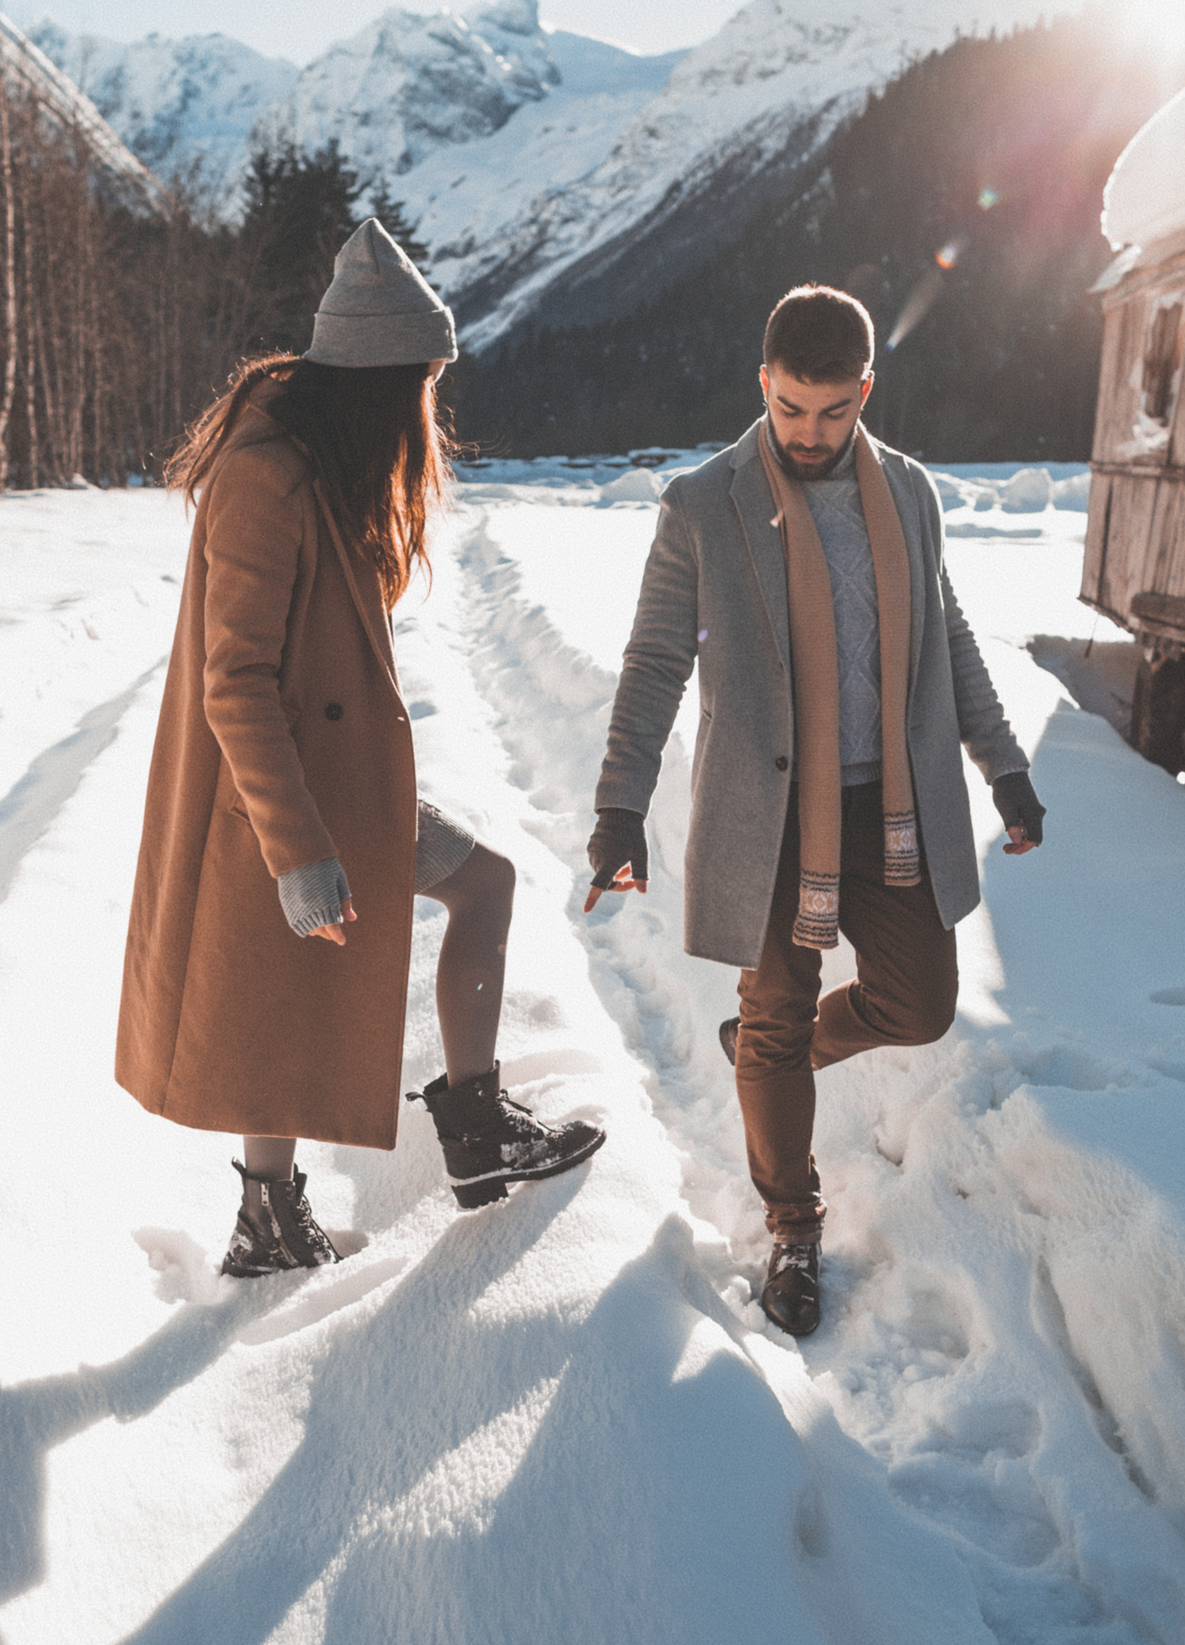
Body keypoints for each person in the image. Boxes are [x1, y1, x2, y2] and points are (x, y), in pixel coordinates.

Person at [119, 219, 603, 1279]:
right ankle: (460, 1142)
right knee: (471, 892)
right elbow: (234, 678)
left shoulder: (309, 461)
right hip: (284, 797)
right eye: (421, 383)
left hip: (314, 788)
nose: (428, 408)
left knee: (301, 980)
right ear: (381, 381)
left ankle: (283, 1215)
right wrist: (298, 851)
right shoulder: (268, 479)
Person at [583, 284, 1043, 1337]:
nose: (808, 433)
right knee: (782, 1015)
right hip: (769, 811)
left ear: (865, 393)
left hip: (893, 809)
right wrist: (619, 807)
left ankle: (762, 1049)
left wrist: (1003, 768)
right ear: (764, 386)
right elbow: (655, 663)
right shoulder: (705, 504)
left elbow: (949, 641)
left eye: (832, 412)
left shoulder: (913, 495)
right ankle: (793, 1221)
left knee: (917, 1005)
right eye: (790, 409)